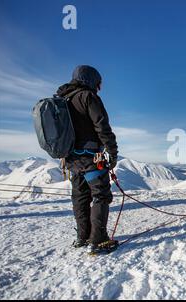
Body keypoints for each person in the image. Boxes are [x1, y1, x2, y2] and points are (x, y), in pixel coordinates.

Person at [56, 65, 118, 254]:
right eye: (98, 83)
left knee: (80, 197)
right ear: (90, 80)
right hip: (92, 158)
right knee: (101, 195)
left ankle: (82, 237)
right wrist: (112, 152)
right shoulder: (88, 97)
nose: (99, 87)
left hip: (72, 160)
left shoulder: (63, 100)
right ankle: (98, 240)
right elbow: (102, 127)